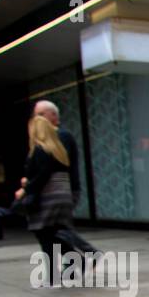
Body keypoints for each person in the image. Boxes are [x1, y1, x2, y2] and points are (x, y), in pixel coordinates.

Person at [15, 116, 75, 289]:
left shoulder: (40, 150)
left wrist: (26, 187)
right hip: (62, 196)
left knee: (44, 235)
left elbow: (42, 175)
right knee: (54, 234)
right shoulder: (59, 151)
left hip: (48, 198)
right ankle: (73, 265)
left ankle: (53, 276)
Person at [32, 100, 97, 256]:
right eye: (36, 115)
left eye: (41, 115)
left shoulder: (60, 136)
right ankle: (76, 264)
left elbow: (53, 165)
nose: (37, 119)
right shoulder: (49, 138)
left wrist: (30, 185)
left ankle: (87, 254)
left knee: (55, 230)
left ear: (53, 115)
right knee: (54, 231)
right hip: (58, 190)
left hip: (61, 189)